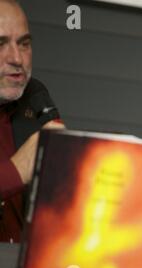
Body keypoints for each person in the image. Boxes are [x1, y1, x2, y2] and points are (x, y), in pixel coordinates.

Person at [0, 0, 64, 242]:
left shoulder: (35, 98)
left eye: (24, 44)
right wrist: (16, 171)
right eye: (0, 43)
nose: (17, 58)